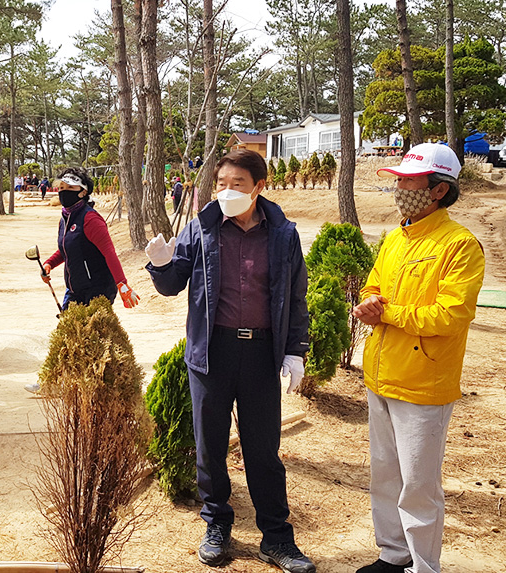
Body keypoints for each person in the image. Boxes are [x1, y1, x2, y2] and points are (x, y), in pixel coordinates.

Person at [144, 149, 314, 572]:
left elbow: (295, 298)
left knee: (263, 452)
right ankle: (217, 525)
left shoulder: (282, 235)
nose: (226, 191)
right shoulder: (201, 228)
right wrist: (160, 264)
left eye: (237, 184)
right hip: (211, 353)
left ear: (259, 186)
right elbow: (171, 285)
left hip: (260, 353)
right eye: (221, 183)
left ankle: (276, 538)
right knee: (211, 447)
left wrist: (295, 350)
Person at [351, 143, 485, 573]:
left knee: (419, 486)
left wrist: (388, 312)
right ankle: (393, 555)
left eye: (409, 181)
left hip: (423, 383)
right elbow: (374, 286)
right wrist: (369, 302)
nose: (400, 188)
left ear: (439, 190)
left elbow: (452, 314)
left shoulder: (461, 245)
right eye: (400, 180)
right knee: (386, 477)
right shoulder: (397, 238)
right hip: (381, 374)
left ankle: (424, 567)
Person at [24, 167, 140, 393]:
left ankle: (105, 385)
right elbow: (66, 250)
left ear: (82, 192)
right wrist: (48, 263)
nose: (63, 191)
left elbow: (109, 253)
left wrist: (123, 285)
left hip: (97, 288)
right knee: (65, 333)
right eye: (62, 187)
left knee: (92, 338)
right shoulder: (66, 218)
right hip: (75, 287)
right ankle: (53, 382)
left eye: (69, 188)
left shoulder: (90, 219)